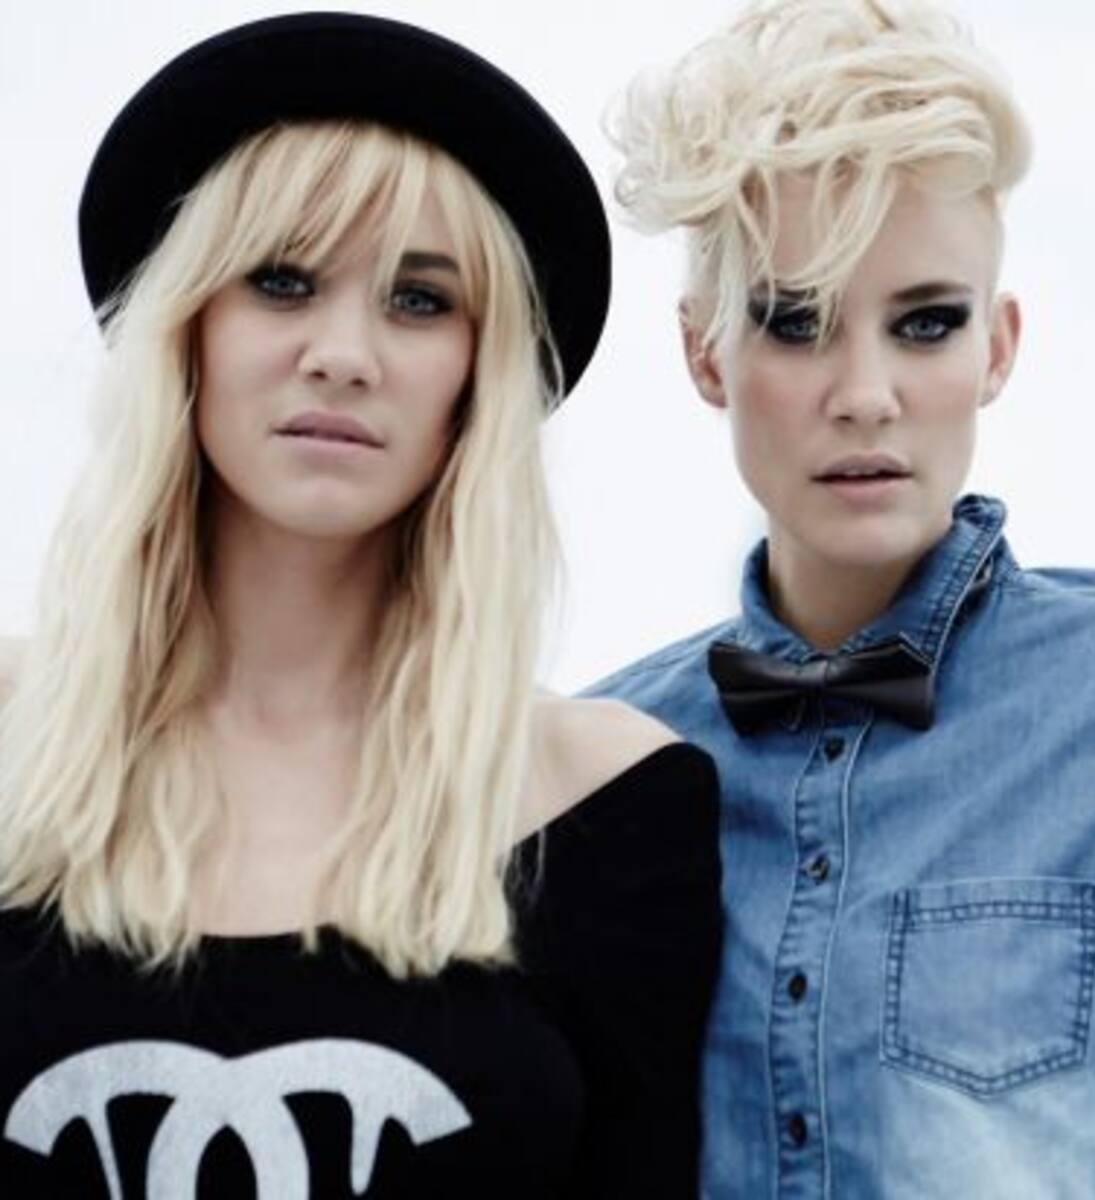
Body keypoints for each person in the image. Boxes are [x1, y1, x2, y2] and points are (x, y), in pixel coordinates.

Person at [0, 14, 720, 1196]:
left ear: (479, 375)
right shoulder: (13, 742)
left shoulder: (603, 800)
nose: (343, 353)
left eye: (419, 300)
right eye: (282, 281)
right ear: (186, 326)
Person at [587, 0, 1095, 1195]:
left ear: (997, 349)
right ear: (704, 353)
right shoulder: (608, 764)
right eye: (795, 321)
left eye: (926, 324)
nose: (865, 393)